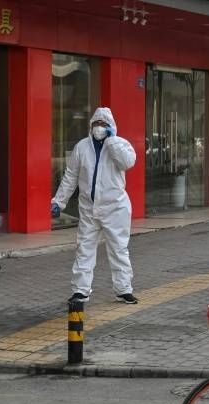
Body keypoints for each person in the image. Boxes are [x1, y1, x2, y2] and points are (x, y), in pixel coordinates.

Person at [51, 107, 138, 305]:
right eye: (96, 124)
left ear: (111, 127)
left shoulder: (120, 144)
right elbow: (71, 176)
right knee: (84, 249)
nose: (99, 127)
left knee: (119, 249)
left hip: (115, 207)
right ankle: (81, 291)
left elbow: (127, 163)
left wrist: (112, 141)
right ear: (91, 126)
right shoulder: (82, 147)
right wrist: (59, 201)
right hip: (89, 208)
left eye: (104, 124)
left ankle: (124, 289)